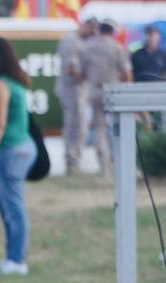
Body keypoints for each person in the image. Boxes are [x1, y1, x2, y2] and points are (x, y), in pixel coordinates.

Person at [0, 37, 36, 275]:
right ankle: (13, 256)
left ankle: (17, 260)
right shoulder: (13, 81)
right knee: (6, 204)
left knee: (13, 206)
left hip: (12, 149)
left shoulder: (1, 84)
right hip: (21, 146)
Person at [81, 21, 131, 177]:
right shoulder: (117, 47)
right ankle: (120, 162)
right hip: (113, 89)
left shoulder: (88, 47)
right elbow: (126, 71)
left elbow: (82, 73)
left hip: (95, 89)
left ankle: (104, 165)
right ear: (112, 32)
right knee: (119, 126)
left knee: (99, 128)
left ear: (99, 31)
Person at [56, 19, 95, 173]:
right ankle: (71, 160)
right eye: (91, 29)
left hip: (80, 90)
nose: (93, 34)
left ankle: (75, 159)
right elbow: (71, 68)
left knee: (81, 125)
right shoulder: (71, 40)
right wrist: (88, 75)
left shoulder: (84, 42)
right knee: (75, 125)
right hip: (71, 89)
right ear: (85, 26)